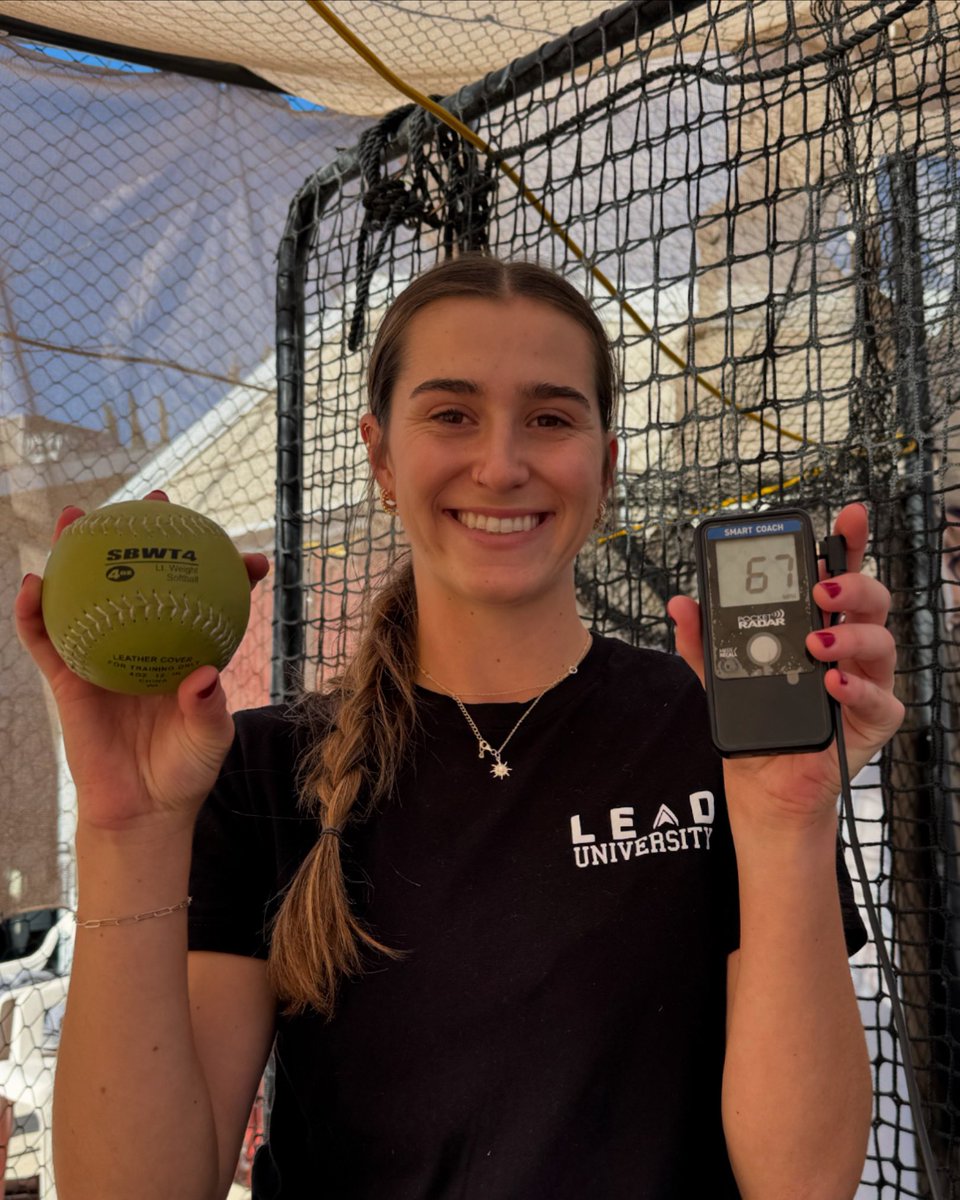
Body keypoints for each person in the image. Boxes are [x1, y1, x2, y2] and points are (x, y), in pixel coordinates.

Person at [15, 255, 903, 1200]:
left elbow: (804, 1184)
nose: (502, 463)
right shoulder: (261, 772)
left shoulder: (719, 736)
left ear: (604, 465)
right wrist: (125, 828)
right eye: (451, 414)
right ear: (381, 457)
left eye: (552, 418)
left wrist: (790, 822)